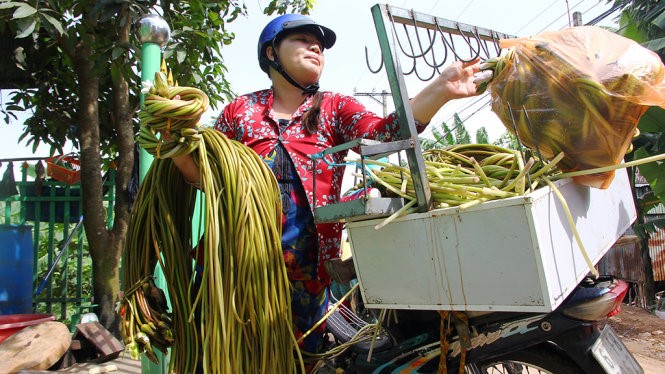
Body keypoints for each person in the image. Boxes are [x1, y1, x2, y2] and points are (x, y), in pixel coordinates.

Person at [172, 13, 480, 359]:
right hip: (236, 264)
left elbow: (383, 133)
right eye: (302, 39)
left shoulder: (334, 107)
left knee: (302, 359)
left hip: (308, 274)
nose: (315, 46)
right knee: (229, 355)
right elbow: (205, 176)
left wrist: (440, 91)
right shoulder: (239, 111)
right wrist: (174, 145)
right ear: (271, 54)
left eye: (319, 43)